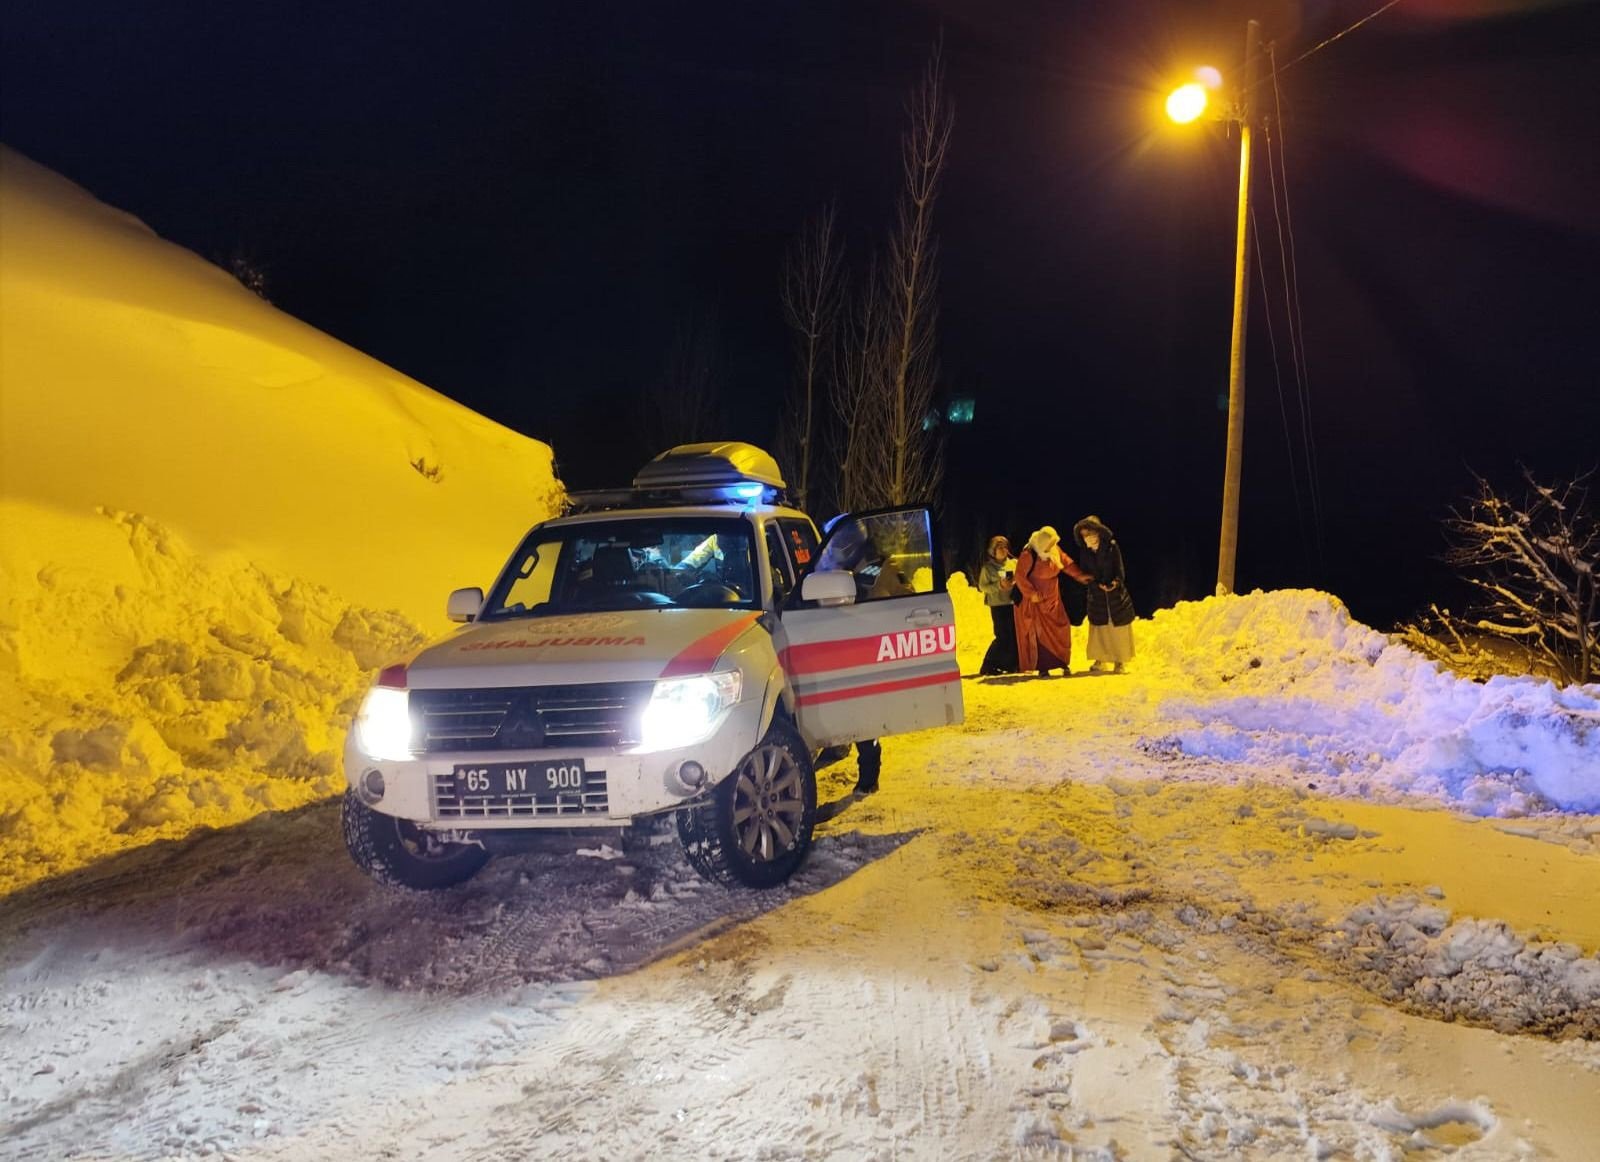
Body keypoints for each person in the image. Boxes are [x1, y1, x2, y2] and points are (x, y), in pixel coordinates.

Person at [1013, 525, 1091, 676]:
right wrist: (1031, 593)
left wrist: (1079, 575)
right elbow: (1020, 576)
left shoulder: (1054, 550)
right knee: (1041, 633)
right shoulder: (1029, 554)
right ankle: (1043, 667)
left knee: (1061, 628)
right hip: (1037, 601)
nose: (1052, 546)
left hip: (1053, 598)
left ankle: (1062, 662)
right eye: (1049, 543)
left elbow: (1066, 562)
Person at [1072, 515, 1136, 673]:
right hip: (1097, 596)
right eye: (1084, 535)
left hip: (1116, 596)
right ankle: (1099, 660)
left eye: (1089, 533)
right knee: (1099, 629)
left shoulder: (1111, 547)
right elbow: (1086, 573)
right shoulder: (1085, 552)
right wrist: (1095, 584)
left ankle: (1119, 661)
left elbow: (1120, 571)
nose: (1087, 538)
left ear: (1097, 531)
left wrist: (1114, 583)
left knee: (1118, 629)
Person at [976, 534, 1018, 674]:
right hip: (998, 605)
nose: (1003, 550)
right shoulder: (988, 568)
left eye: (1005, 547)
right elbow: (983, 586)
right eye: (999, 548)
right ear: (993, 551)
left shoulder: (1014, 563)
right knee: (1002, 636)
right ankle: (988, 664)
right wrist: (999, 585)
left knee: (1013, 636)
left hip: (1012, 603)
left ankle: (1009, 664)